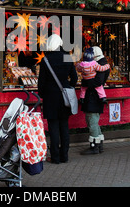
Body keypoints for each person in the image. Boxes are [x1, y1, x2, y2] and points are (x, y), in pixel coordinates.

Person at [38, 34, 78, 164]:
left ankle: (55, 157)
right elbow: (75, 78)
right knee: (64, 126)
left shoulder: (46, 60)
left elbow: (41, 82)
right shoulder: (67, 57)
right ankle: (64, 156)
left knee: (53, 128)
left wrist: (43, 94)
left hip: (50, 98)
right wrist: (68, 87)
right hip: (65, 97)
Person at [80, 46, 110, 155]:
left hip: (93, 98)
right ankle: (99, 144)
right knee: (94, 121)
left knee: (92, 121)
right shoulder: (100, 64)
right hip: (95, 97)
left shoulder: (100, 64)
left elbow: (97, 82)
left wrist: (84, 83)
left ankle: (94, 146)